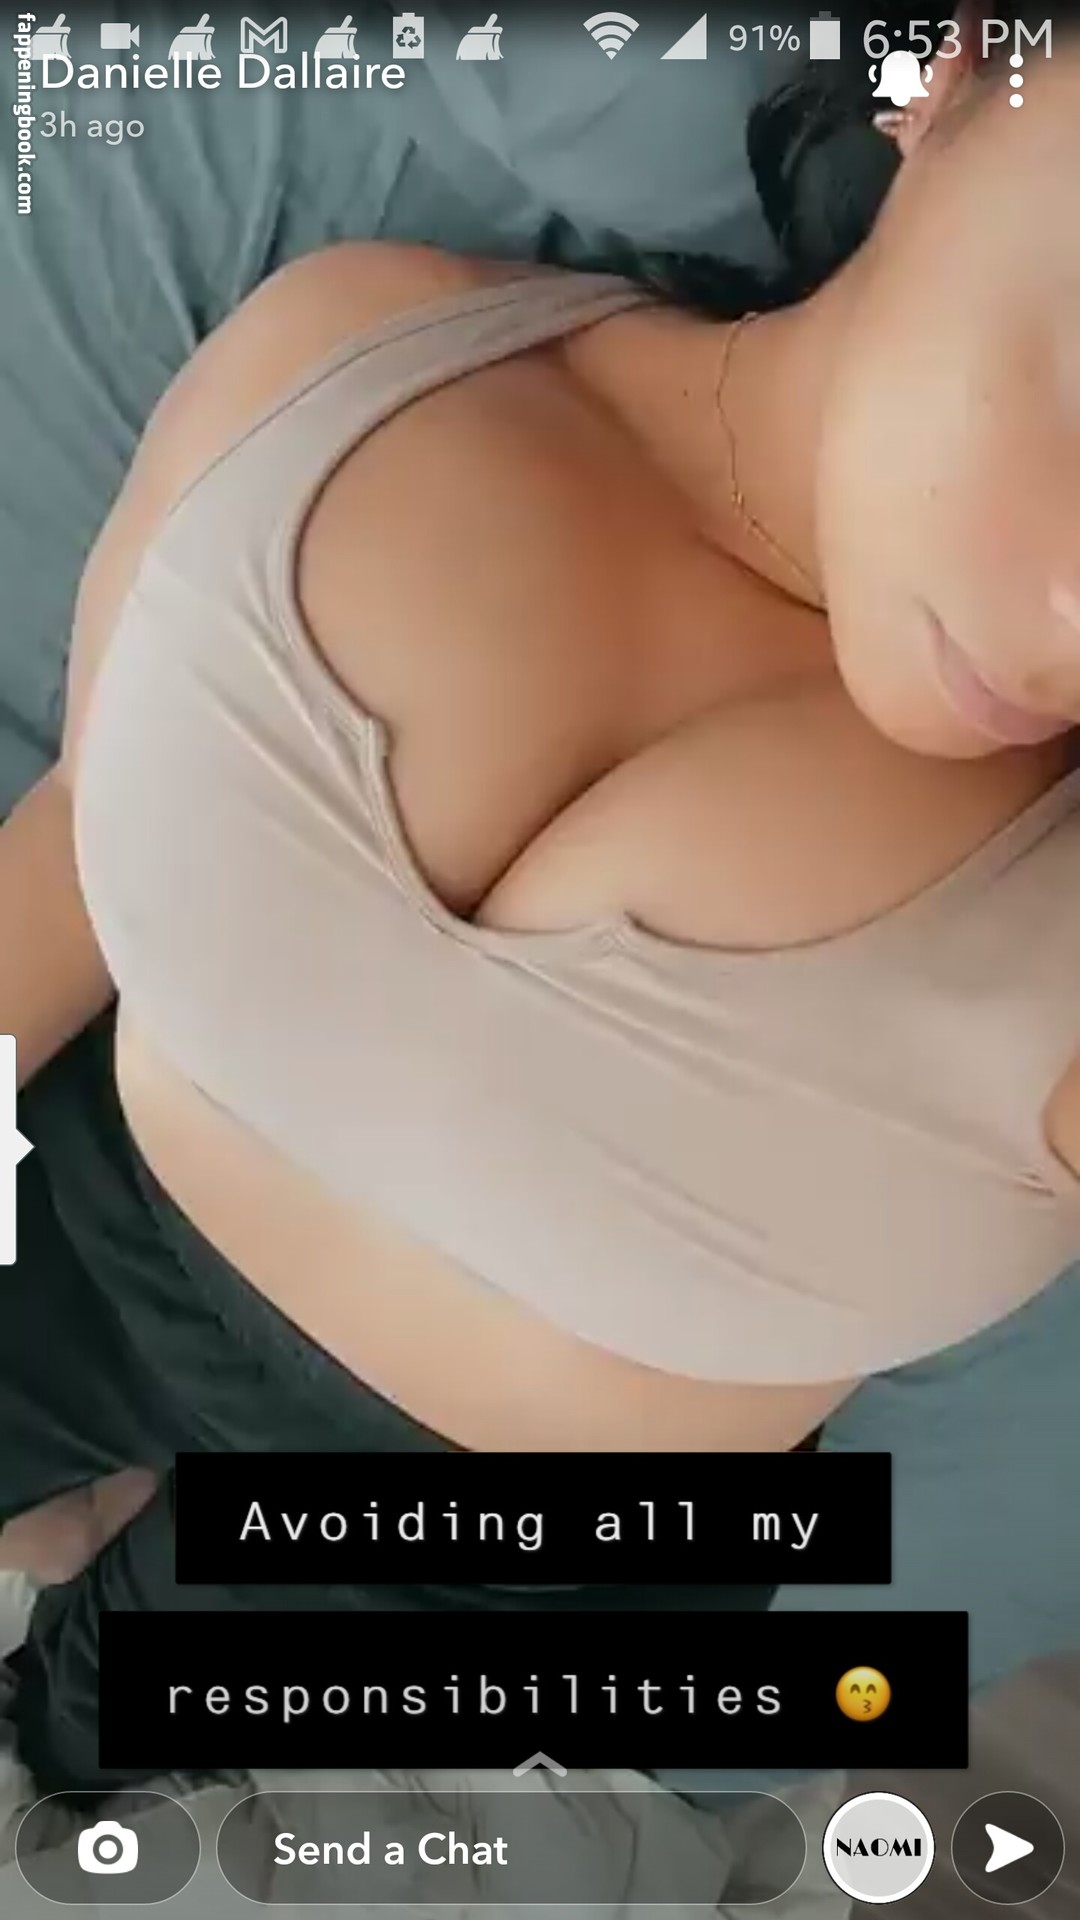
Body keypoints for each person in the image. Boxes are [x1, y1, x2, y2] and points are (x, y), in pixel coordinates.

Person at [2, 13, 1078, 1784]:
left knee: (88, 1740)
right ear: (961, 72)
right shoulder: (359, 349)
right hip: (102, 1213)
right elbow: (68, 840)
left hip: (501, 1552)